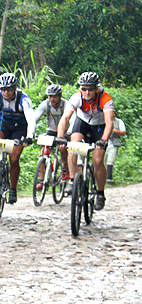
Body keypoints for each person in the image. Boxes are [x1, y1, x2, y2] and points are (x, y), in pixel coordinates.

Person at [57, 72, 114, 210]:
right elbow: (65, 118)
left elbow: (109, 122)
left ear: (96, 88)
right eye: (84, 89)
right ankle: (72, 180)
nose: (87, 92)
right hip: (82, 123)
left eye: (90, 89)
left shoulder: (105, 98)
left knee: (98, 160)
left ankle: (100, 193)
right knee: (73, 146)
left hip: (99, 128)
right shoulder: (77, 97)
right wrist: (60, 136)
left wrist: (104, 140)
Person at [0, 72, 35, 204]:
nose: (6, 92)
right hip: (4, 125)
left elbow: (31, 120)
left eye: (9, 89)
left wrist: (29, 137)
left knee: (14, 158)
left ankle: (13, 189)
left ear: (15, 88)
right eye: (3, 89)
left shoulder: (24, 100)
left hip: (20, 128)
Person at [33, 84, 70, 188]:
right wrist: (30, 132)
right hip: (51, 131)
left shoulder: (66, 105)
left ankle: (65, 169)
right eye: (50, 96)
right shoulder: (45, 104)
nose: (52, 99)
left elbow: (73, 120)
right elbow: (34, 119)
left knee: (62, 148)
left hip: (65, 132)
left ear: (60, 96)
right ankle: (42, 179)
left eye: (54, 96)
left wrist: (68, 133)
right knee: (43, 151)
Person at [105, 115, 126, 184]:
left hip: (113, 144)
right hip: (104, 144)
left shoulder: (119, 122)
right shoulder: (103, 121)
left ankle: (109, 179)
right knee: (102, 162)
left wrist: (115, 131)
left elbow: (123, 133)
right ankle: (102, 179)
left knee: (110, 161)